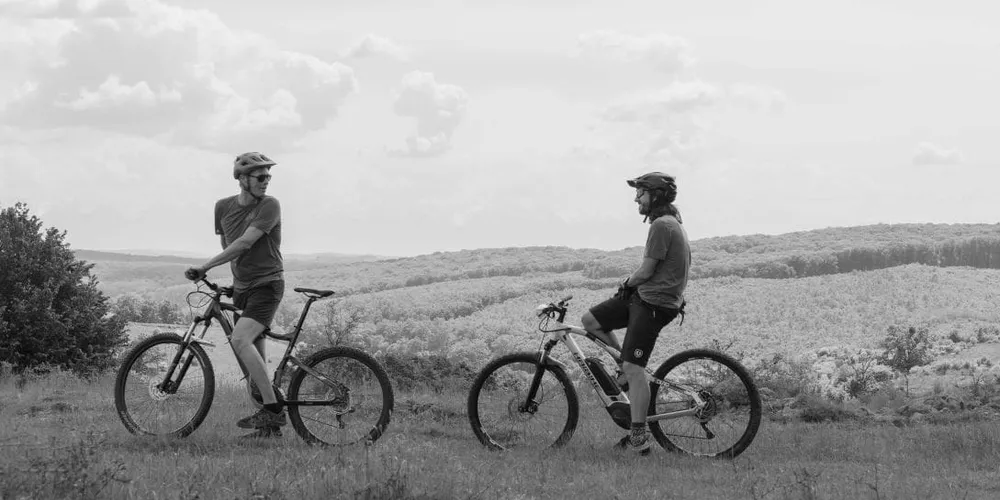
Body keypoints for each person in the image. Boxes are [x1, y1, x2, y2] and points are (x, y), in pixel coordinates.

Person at [581, 171, 691, 455]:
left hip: (654, 304)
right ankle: (623, 369)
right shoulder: (668, 222)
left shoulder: (662, 226)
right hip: (644, 298)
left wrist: (625, 284)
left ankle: (638, 438)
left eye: (640, 193)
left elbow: (646, 271)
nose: (636, 198)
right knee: (591, 321)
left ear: (655, 196)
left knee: (635, 369)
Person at [184, 151, 286, 439]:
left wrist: (205, 267)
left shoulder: (270, 205)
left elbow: (243, 244)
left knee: (240, 340)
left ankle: (274, 409)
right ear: (242, 179)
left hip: (267, 286)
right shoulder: (223, 208)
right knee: (254, 363)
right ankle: (269, 430)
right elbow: (228, 245)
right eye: (261, 176)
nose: (266, 181)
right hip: (243, 289)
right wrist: (233, 283)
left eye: (268, 176)